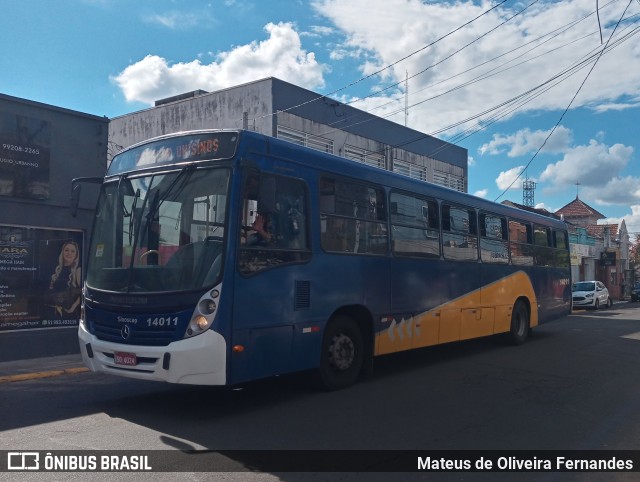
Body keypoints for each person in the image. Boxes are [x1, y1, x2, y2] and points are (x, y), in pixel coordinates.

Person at [45, 241, 82, 317]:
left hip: (68, 312)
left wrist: (73, 307)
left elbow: (82, 292)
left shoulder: (78, 270)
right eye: (66, 250)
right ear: (62, 252)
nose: (69, 253)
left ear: (76, 255)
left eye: (72, 251)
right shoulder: (57, 269)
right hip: (54, 310)